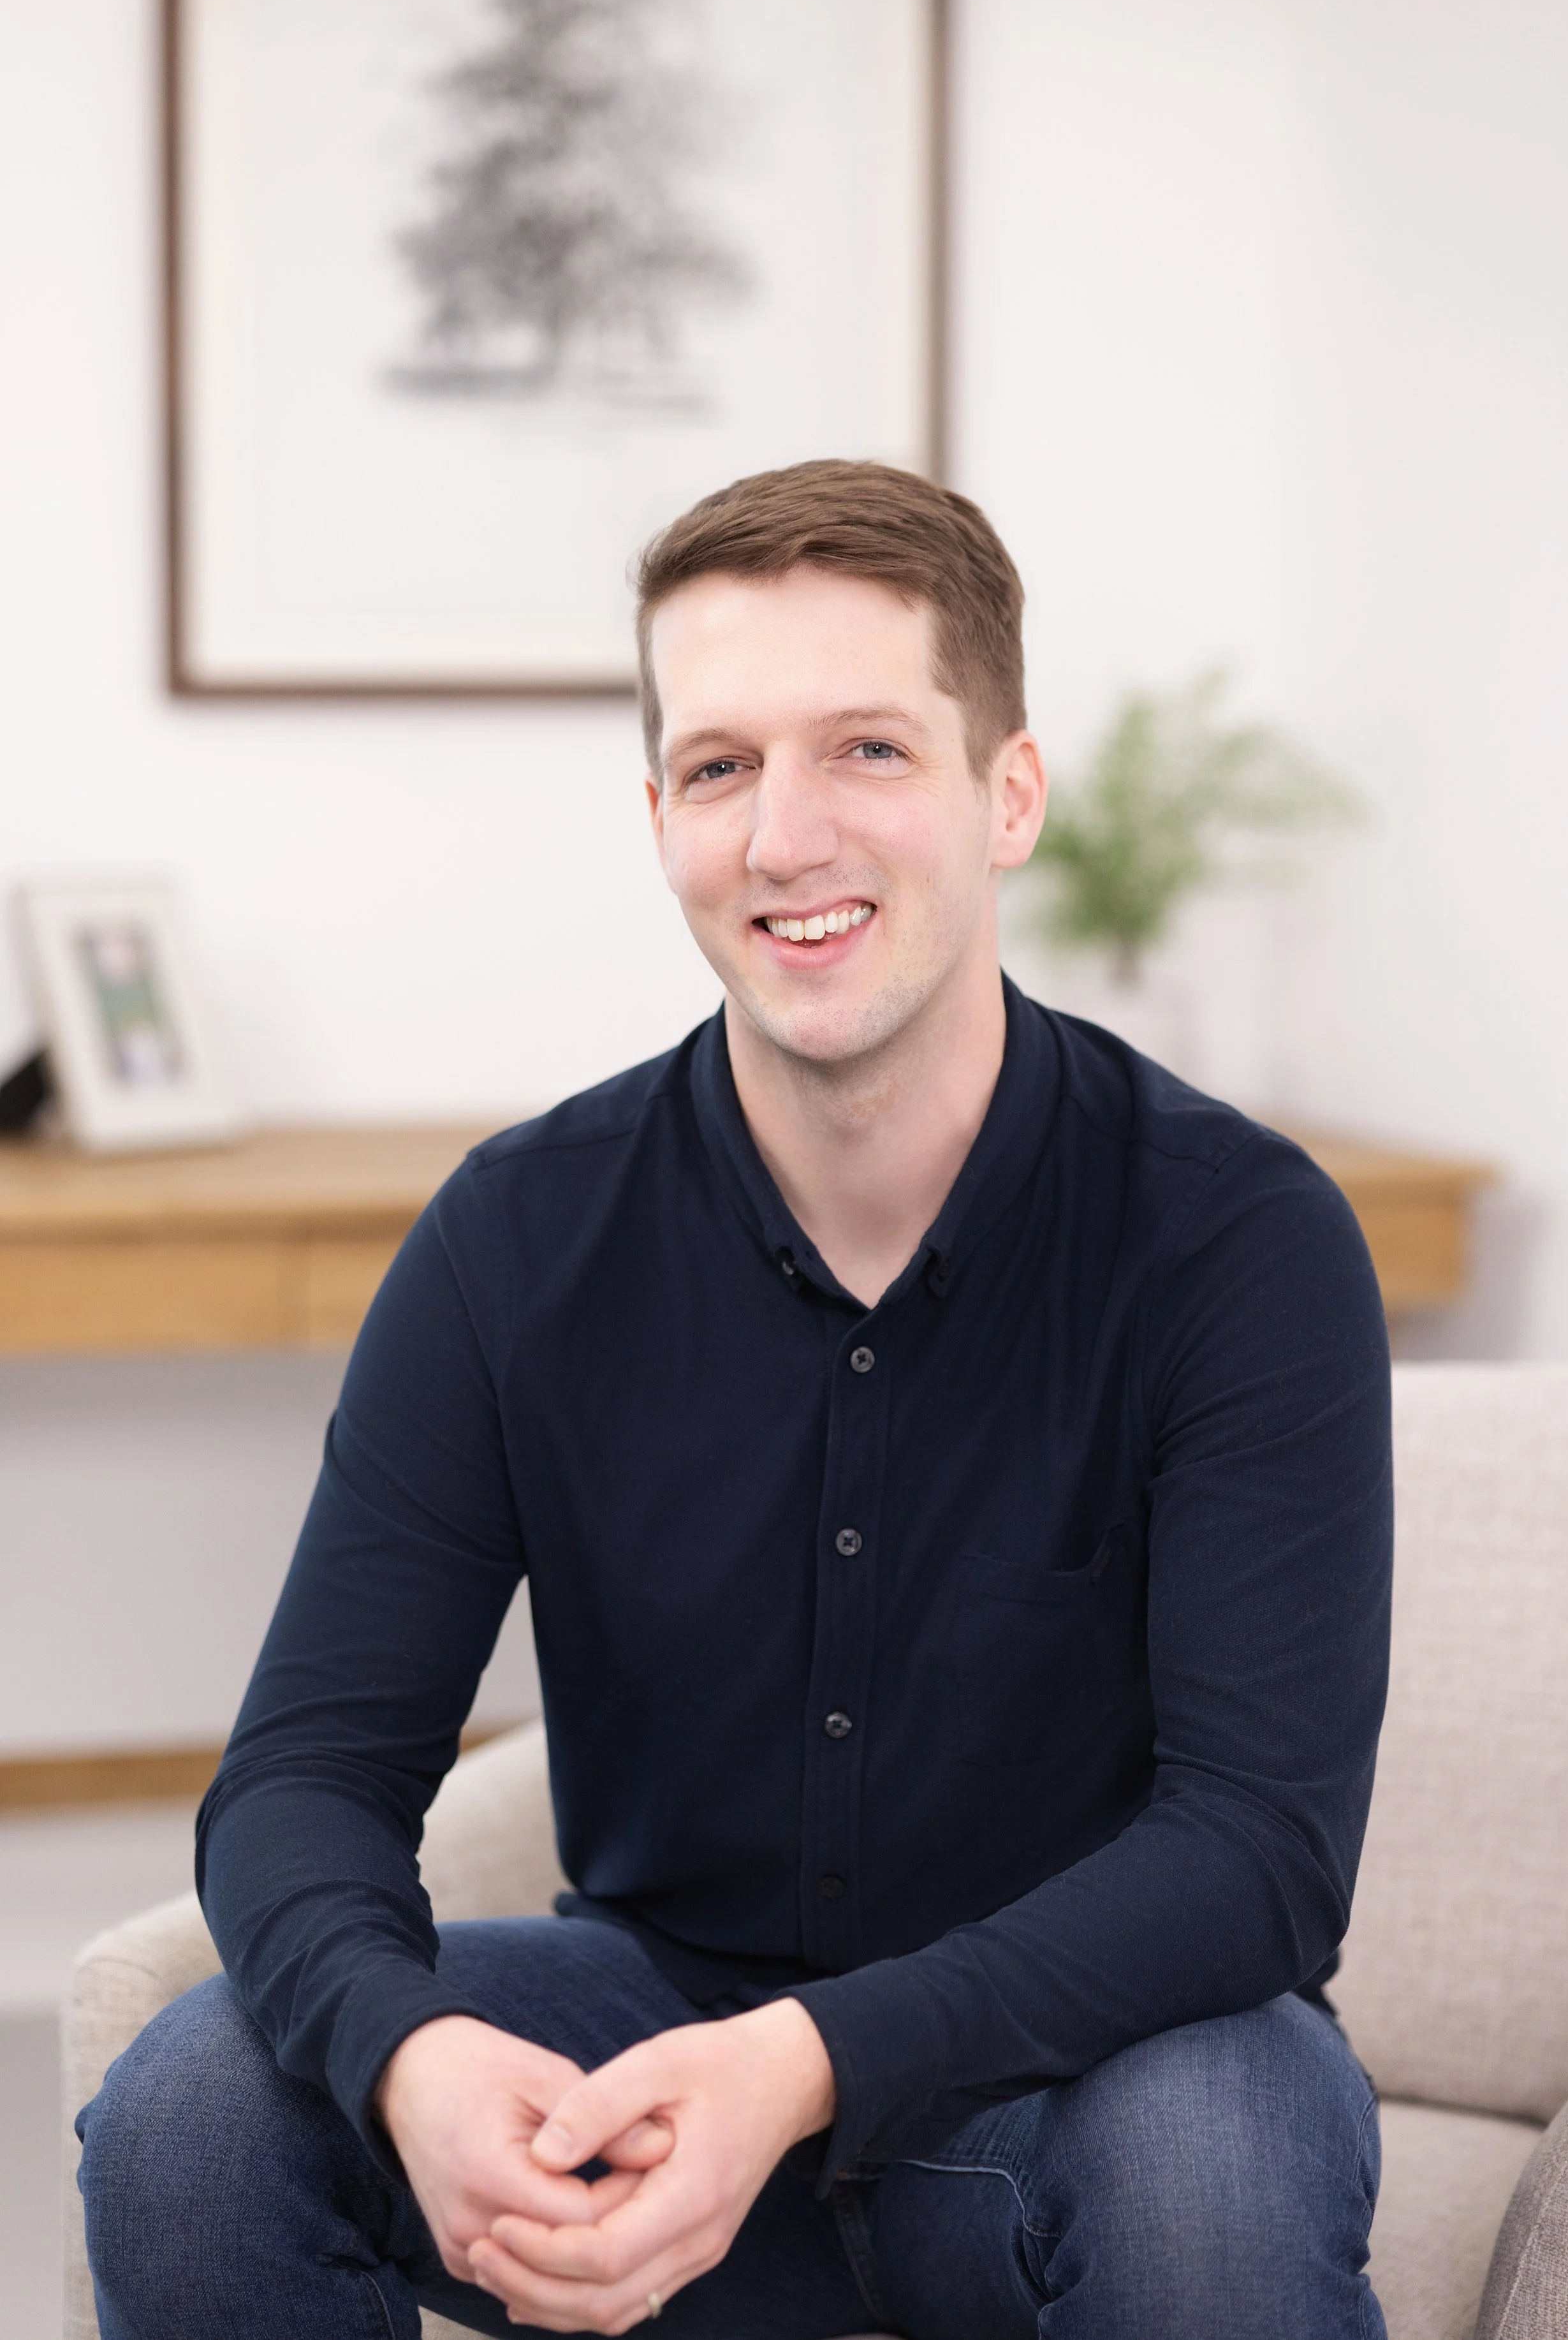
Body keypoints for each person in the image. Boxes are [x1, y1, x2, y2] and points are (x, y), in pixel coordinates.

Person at [78, 460, 1392, 2340]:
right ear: (659, 814)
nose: (785, 837)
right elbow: (303, 1775)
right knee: (199, 2106)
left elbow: (1257, 1859)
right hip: (636, 2071)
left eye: (866, 747)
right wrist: (408, 2049)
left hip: (1085, 2086)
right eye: (718, 767)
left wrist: (802, 2059)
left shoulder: (1237, 1237)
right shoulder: (516, 1238)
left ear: (1004, 793)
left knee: (1213, 2150)